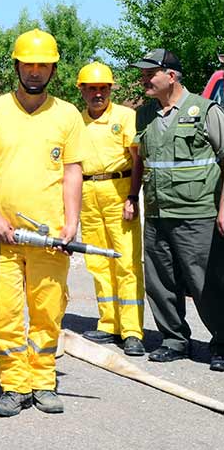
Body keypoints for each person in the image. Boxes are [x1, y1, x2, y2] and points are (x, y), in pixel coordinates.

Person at [0, 28, 86, 417]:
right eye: (28, 64)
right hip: (2, 238)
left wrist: (71, 223)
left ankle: (43, 380)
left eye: (43, 65)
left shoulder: (67, 115)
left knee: (48, 310)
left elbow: (72, 172)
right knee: (4, 313)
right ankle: (15, 384)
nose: (35, 72)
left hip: (50, 238)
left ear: (52, 70)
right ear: (16, 65)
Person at [130, 48, 224, 371]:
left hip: (198, 213)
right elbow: (139, 160)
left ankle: (222, 343)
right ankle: (174, 340)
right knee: (160, 281)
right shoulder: (144, 115)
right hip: (157, 212)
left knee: (205, 282)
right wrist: (132, 197)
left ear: (171, 76)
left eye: (149, 73)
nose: (143, 79)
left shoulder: (204, 110)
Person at [76, 62, 145, 356]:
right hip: (88, 193)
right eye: (92, 88)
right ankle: (109, 323)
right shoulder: (76, 121)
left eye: (103, 88)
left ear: (110, 90)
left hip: (119, 190)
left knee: (126, 261)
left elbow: (137, 158)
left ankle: (132, 331)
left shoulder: (125, 117)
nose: (98, 94)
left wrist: (132, 196)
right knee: (98, 261)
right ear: (82, 91)